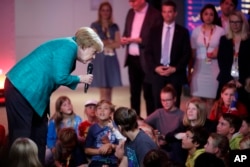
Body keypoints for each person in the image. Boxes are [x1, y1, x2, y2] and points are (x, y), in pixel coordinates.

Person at [4, 26, 103, 164]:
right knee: (21, 136)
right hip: (21, 88)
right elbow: (60, 77)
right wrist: (80, 78)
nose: (94, 57)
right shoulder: (69, 46)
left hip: (34, 94)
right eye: (94, 52)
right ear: (85, 45)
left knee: (39, 134)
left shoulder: (69, 47)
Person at [145, 0, 191, 109]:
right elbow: (148, 52)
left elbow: (186, 54)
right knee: (158, 104)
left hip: (175, 73)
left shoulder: (183, 32)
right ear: (161, 13)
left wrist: (175, 69)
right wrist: (155, 68)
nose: (167, 14)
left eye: (170, 12)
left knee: (174, 104)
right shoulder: (154, 31)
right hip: (158, 73)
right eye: (164, 12)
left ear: (175, 13)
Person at [121, 0, 162, 116]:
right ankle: (134, 121)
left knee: (149, 94)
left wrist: (140, 40)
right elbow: (127, 32)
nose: (131, 4)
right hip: (132, 59)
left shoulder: (154, 14)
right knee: (134, 93)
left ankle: (151, 122)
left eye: (134, 1)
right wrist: (124, 39)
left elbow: (157, 39)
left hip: (147, 60)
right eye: (130, 2)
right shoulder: (130, 13)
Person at [189, 4, 225, 110]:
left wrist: (218, 53)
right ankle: (197, 125)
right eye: (206, 14)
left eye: (211, 14)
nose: (208, 17)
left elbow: (225, 51)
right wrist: (189, 72)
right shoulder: (196, 31)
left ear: (214, 16)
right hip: (199, 68)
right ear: (202, 15)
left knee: (211, 101)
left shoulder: (220, 31)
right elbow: (192, 53)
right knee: (196, 101)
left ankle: (209, 125)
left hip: (214, 68)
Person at [216, 10, 250, 111]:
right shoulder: (224, 39)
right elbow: (221, 61)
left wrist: (241, 79)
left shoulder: (248, 40)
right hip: (226, 79)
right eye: (232, 22)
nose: (234, 25)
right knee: (223, 110)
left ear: (242, 23)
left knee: (243, 110)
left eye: (237, 22)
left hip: (244, 82)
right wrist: (230, 78)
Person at [90, 1, 122, 102]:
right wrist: (109, 41)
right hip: (99, 60)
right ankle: (102, 113)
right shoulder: (94, 25)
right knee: (103, 90)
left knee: (109, 89)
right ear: (99, 12)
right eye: (103, 10)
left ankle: (108, 112)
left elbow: (118, 44)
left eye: (107, 10)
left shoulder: (114, 26)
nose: (105, 12)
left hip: (111, 59)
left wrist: (103, 42)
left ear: (110, 12)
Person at [46, 96, 82, 166]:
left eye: (69, 104)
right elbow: (49, 137)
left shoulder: (77, 119)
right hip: (57, 146)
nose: (68, 106)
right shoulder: (54, 121)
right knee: (46, 157)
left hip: (73, 146)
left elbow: (78, 134)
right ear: (60, 109)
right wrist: (52, 147)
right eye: (65, 105)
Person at [84, 100, 119, 167]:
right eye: (99, 108)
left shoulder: (116, 127)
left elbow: (122, 145)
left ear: (111, 113)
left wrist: (111, 146)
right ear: (96, 113)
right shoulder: (92, 129)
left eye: (105, 108)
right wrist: (100, 151)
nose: (102, 110)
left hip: (112, 161)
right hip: (96, 161)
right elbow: (87, 150)